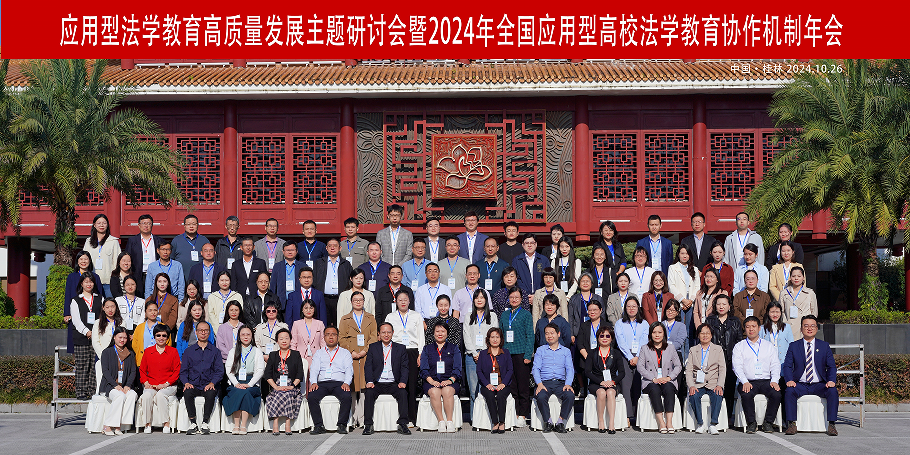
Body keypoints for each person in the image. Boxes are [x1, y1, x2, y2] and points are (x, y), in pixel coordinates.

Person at [782, 315, 839, 436]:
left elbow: (831, 366)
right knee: (789, 391)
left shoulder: (824, 346)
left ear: (817, 328)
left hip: (819, 384)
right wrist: (789, 380)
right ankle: (791, 424)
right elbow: (787, 366)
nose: (809, 328)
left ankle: (832, 424)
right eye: (806, 326)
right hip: (800, 384)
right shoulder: (794, 346)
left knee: (832, 391)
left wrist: (831, 380)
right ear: (801, 329)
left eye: (812, 326)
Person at [733, 316, 783, 434]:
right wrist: (744, 381)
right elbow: (737, 367)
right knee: (746, 394)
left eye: (754, 326)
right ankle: (751, 423)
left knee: (776, 394)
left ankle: (768, 422)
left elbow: (775, 364)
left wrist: (775, 380)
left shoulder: (768, 345)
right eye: (748, 327)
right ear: (744, 329)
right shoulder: (739, 346)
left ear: (759, 328)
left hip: (766, 380)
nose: (751, 329)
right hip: (748, 380)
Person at [362, 323, 412, 435]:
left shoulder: (400, 348)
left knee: (403, 393)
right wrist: (369, 381)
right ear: (379, 334)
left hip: (393, 382)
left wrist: (403, 381)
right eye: (383, 332)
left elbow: (405, 367)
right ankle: (368, 425)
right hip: (378, 382)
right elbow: (368, 366)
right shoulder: (373, 347)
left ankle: (403, 424)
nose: (386, 335)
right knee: (369, 393)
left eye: (389, 332)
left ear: (393, 333)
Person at [385, 290, 426, 425]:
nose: (403, 302)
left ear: (409, 301)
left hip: (412, 351)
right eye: (400, 300)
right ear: (395, 301)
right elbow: (387, 336)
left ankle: (412, 418)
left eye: (405, 299)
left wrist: (420, 353)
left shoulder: (416, 316)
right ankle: (400, 416)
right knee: (399, 384)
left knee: (412, 385)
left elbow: (421, 336)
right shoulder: (390, 317)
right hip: (396, 351)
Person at [338, 291, 378, 427]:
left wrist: (365, 350)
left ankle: (363, 418)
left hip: (367, 354)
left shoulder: (371, 318)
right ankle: (353, 417)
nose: (358, 302)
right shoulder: (345, 319)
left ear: (364, 301)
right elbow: (341, 338)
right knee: (353, 386)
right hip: (351, 355)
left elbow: (374, 336)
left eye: (360, 300)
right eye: (355, 300)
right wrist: (351, 351)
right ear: (351, 302)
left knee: (364, 386)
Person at [180, 321, 224, 435]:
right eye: (200, 330)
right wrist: (186, 383)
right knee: (187, 392)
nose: (203, 333)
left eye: (206, 331)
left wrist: (212, 382)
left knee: (211, 392)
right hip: (193, 384)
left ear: (209, 333)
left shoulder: (215, 351)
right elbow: (183, 371)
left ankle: (205, 422)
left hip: (208, 384)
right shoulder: (188, 351)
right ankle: (193, 423)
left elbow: (219, 371)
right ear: (196, 332)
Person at [308, 327, 355, 434]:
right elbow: (314, 369)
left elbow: (349, 370)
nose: (330, 337)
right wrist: (313, 382)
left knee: (346, 396)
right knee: (312, 396)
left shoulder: (345, 353)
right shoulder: (319, 353)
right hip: (322, 383)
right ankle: (318, 426)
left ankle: (342, 425)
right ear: (324, 337)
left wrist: (346, 383)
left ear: (338, 337)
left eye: (333, 334)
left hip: (339, 383)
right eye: (328, 334)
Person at [638, 322, 682, 434]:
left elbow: (678, 366)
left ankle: (669, 422)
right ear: (650, 334)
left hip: (667, 379)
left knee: (669, 389)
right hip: (651, 381)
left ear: (664, 334)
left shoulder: (670, 348)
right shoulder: (644, 348)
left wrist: (669, 378)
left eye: (660, 332)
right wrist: (653, 378)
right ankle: (661, 422)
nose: (657, 335)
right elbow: (640, 367)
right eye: (654, 332)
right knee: (655, 389)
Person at [420, 322, 463, 432]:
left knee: (447, 391)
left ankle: (449, 421)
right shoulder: (427, 348)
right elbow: (423, 368)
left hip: (450, 381)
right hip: (431, 381)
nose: (440, 334)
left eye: (443, 331)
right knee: (435, 392)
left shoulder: (454, 348)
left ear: (447, 333)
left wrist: (450, 380)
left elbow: (458, 367)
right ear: (433, 333)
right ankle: (441, 421)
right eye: (437, 331)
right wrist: (431, 381)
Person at [500, 286, 534, 425]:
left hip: (521, 354)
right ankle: (514, 413)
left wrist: (528, 355)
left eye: (517, 297)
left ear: (521, 299)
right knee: (512, 385)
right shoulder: (504, 315)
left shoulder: (526, 314)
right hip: (507, 354)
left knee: (523, 386)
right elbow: (501, 335)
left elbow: (530, 336)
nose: (514, 299)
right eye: (512, 297)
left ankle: (523, 415)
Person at [705, 294, 743, 420]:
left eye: (724, 304)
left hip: (730, 360)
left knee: (729, 390)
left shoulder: (735, 321)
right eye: (718, 304)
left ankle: (727, 417)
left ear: (729, 306)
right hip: (713, 361)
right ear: (715, 306)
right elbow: (705, 339)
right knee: (715, 388)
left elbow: (739, 341)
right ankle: (715, 416)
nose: (721, 307)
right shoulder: (710, 321)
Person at [532, 323, 575, 433]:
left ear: (558, 334)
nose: (549, 336)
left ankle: (560, 422)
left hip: (561, 383)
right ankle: (548, 422)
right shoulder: (540, 350)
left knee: (570, 395)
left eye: (552, 333)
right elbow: (535, 368)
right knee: (540, 396)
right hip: (544, 382)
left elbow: (570, 369)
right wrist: (539, 384)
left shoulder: (566, 351)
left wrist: (568, 384)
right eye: (547, 333)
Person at [139, 323, 180, 433]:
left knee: (161, 395)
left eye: (164, 335)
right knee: (146, 395)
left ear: (167, 337)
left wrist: (166, 383)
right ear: (154, 337)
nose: (161, 338)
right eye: (158, 335)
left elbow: (177, 371)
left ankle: (166, 423)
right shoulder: (148, 351)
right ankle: (147, 424)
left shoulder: (173, 351)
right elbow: (142, 370)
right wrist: (145, 382)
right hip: (151, 384)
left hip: (169, 385)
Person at [223, 325, 265, 435]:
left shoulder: (257, 351)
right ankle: (236, 425)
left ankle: (243, 425)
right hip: (236, 381)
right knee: (238, 391)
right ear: (239, 336)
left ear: (252, 336)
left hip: (251, 382)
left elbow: (260, 370)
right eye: (243, 334)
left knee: (245, 392)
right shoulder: (233, 351)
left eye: (248, 334)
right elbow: (228, 370)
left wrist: (250, 384)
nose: (245, 337)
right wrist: (236, 383)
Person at [685, 323, 726, 435]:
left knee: (718, 394)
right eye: (702, 333)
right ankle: (700, 424)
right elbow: (689, 370)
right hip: (698, 383)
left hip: (713, 382)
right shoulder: (693, 350)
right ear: (698, 335)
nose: (705, 335)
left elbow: (722, 369)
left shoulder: (718, 349)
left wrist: (720, 385)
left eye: (707, 333)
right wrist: (691, 385)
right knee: (693, 395)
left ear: (711, 335)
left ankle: (713, 424)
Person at [463, 289, 499, 411]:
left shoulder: (492, 316)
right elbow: (466, 336)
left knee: (487, 387)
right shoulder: (468, 316)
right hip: (471, 356)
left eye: (482, 297)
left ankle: (487, 416)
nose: (479, 300)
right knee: (473, 389)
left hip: (488, 355)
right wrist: (474, 353)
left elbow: (494, 336)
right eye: (477, 297)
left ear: (486, 300)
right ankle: (475, 417)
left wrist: (483, 353)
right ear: (473, 300)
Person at [264, 328, 305, 435]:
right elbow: (267, 374)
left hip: (292, 385)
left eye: (286, 338)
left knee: (287, 393)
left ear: (290, 340)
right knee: (279, 392)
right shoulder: (273, 355)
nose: (284, 341)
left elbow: (300, 373)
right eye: (281, 338)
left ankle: (287, 423)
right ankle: (276, 422)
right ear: (277, 341)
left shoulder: (296, 354)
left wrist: (292, 386)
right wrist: (276, 387)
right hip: (276, 385)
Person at [584, 324, 624, 433]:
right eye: (601, 336)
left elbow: (622, 373)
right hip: (596, 382)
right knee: (601, 393)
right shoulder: (592, 353)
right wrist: (600, 382)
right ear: (597, 338)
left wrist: (613, 382)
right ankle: (601, 421)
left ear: (611, 338)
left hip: (612, 382)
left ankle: (611, 423)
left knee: (610, 392)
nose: (604, 338)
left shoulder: (616, 353)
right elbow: (587, 372)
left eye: (607, 336)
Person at [615, 295, 648, 427]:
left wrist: (638, 356)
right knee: (626, 386)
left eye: (634, 306)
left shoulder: (644, 323)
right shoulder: (619, 323)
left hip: (641, 356)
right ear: (625, 308)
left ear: (638, 308)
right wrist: (630, 357)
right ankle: (628, 416)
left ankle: (638, 416)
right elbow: (620, 341)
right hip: (625, 356)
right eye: (628, 306)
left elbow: (645, 340)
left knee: (638, 386)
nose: (631, 309)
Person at [98, 327, 137, 435]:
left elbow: (133, 371)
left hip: (124, 385)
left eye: (125, 338)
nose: (122, 340)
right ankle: (107, 426)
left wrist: (128, 385)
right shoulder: (107, 352)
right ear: (114, 337)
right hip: (110, 386)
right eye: (120, 337)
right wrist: (115, 385)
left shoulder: (130, 353)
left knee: (132, 395)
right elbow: (105, 371)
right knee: (120, 396)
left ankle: (121, 425)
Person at [64, 252, 105, 353]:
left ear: (90, 261)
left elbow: (100, 294)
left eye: (86, 259)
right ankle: (75, 362)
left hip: (93, 310)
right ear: (77, 261)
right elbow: (68, 295)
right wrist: (67, 313)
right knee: (75, 339)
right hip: (76, 310)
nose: (83, 261)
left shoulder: (95, 277)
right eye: (81, 259)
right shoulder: (72, 277)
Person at [70, 273, 102, 399]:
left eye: (91, 281)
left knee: (95, 365)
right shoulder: (75, 300)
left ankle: (93, 391)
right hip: (81, 337)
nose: (89, 284)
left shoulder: (100, 298)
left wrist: (95, 332)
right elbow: (76, 321)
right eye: (86, 282)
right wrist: (87, 332)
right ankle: (81, 391)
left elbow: (103, 317)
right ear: (81, 284)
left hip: (97, 337)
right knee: (82, 365)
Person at [478, 327, 514, 434]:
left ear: (501, 339)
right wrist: (487, 384)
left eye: (497, 337)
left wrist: (503, 383)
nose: (495, 339)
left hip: (503, 384)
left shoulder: (506, 353)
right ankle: (495, 422)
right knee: (489, 395)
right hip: (487, 385)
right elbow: (479, 371)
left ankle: (502, 422)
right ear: (488, 339)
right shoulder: (483, 354)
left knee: (501, 395)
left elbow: (510, 370)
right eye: (492, 337)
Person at [314, 238, 354, 327]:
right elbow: (315, 280)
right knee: (324, 324)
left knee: (340, 324)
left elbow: (350, 281)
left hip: (340, 299)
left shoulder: (346, 264)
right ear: (326, 248)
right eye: (330, 246)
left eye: (335, 246)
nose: (332, 248)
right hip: (324, 299)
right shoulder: (319, 263)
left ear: (340, 248)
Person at [575, 298, 607, 398]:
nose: (592, 312)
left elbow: (611, 343)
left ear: (600, 310)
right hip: (587, 361)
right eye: (590, 310)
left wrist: (599, 358)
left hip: (603, 360)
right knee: (588, 392)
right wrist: (589, 358)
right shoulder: (584, 326)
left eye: (595, 310)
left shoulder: (606, 325)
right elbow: (580, 343)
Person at [83, 214, 121, 298]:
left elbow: (117, 262)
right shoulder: (88, 241)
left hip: (108, 281)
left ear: (107, 225)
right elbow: (84, 259)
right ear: (94, 225)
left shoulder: (113, 241)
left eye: (104, 223)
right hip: (92, 281)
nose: (101, 225)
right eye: (99, 223)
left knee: (110, 304)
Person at [124, 214, 162, 293]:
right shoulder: (132, 241)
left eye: (148, 223)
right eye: (143, 223)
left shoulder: (159, 240)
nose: (146, 226)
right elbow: (127, 257)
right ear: (139, 225)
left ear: (152, 225)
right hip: (138, 274)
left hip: (154, 274)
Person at [668, 245, 700, 337]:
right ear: (678, 254)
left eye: (687, 253)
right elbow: (671, 285)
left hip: (691, 301)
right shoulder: (672, 268)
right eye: (682, 253)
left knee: (690, 329)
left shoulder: (694, 269)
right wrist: (683, 300)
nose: (685, 256)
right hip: (679, 300)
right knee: (679, 328)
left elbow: (697, 286)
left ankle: (689, 347)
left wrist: (690, 300)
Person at [779, 267, 818, 339]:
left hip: (804, 329)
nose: (796, 278)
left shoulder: (810, 293)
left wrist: (810, 326)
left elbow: (814, 312)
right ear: (790, 278)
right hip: (789, 328)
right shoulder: (784, 293)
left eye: (799, 276)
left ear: (803, 278)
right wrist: (785, 323)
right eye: (793, 276)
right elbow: (781, 311)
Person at [591, 221, 627, 296]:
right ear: (601, 232)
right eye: (606, 230)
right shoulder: (598, 245)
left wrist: (619, 272)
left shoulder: (618, 245)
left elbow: (623, 260)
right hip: (605, 275)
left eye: (611, 230)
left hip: (617, 274)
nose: (608, 232)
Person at [172, 214, 210, 282]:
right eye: (188, 224)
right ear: (184, 226)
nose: (191, 226)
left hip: (200, 278)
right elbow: (171, 259)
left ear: (198, 225)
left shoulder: (204, 240)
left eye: (194, 224)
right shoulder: (176, 240)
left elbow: (209, 259)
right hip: (181, 278)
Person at [269, 242, 305, 311]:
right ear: (283, 251)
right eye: (287, 250)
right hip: (281, 302)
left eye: (292, 250)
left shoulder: (302, 266)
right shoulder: (277, 266)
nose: (290, 252)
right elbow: (273, 286)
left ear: (297, 251)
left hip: (298, 302)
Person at [568, 273, 603, 345]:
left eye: (587, 281)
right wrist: (571, 334)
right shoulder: (574, 299)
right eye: (583, 281)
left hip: (595, 332)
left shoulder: (598, 299)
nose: (585, 283)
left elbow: (602, 316)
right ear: (579, 284)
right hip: (578, 332)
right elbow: (570, 317)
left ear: (592, 283)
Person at [290, 299, 326, 367]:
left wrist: (323, 356)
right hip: (301, 357)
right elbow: (293, 343)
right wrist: (294, 357)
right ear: (302, 310)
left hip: (316, 357)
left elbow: (323, 342)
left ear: (314, 309)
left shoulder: (320, 324)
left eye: (311, 308)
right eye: (306, 308)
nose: (308, 310)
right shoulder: (296, 324)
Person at [760, 302, 795, 368]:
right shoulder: (762, 329)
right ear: (767, 313)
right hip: (767, 362)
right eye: (772, 312)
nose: (775, 314)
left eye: (777, 312)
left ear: (781, 313)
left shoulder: (787, 327)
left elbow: (791, 345)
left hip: (783, 362)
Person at [133, 301, 165, 367]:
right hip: (143, 360)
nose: (153, 312)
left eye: (155, 310)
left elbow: (168, 343)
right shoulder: (140, 327)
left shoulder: (163, 326)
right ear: (145, 312)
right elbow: (134, 344)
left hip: (159, 360)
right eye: (150, 310)